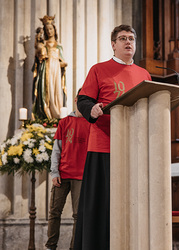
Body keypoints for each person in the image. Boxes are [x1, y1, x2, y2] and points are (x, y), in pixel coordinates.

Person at [73, 24, 152, 250]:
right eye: (123, 38)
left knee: (132, 202)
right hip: (104, 146)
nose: (128, 42)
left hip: (135, 148)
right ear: (113, 45)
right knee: (102, 204)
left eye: (132, 39)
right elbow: (83, 100)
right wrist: (93, 109)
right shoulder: (99, 69)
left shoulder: (144, 75)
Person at [45, 88, 90, 250]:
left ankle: (74, 247)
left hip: (81, 176)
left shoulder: (92, 124)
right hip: (62, 175)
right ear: (77, 99)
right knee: (54, 212)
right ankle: (51, 246)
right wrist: (54, 172)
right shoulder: (64, 122)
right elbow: (56, 150)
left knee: (78, 215)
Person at [32, 15, 67, 120]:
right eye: (47, 30)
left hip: (55, 71)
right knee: (47, 92)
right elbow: (39, 57)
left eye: (51, 29)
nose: (49, 31)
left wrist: (62, 64)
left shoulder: (58, 46)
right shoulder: (44, 44)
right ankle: (46, 113)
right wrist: (37, 39)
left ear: (54, 29)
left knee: (56, 93)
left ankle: (56, 114)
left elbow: (62, 61)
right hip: (46, 71)